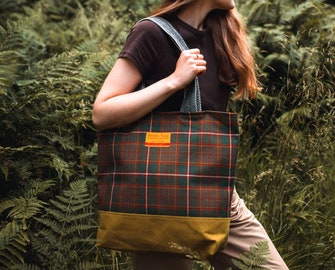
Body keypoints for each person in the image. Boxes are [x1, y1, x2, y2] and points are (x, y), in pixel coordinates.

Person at [92, 0, 289, 269]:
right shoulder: (151, 33)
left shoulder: (222, 35)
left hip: (216, 194)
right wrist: (174, 81)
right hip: (156, 194)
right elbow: (102, 112)